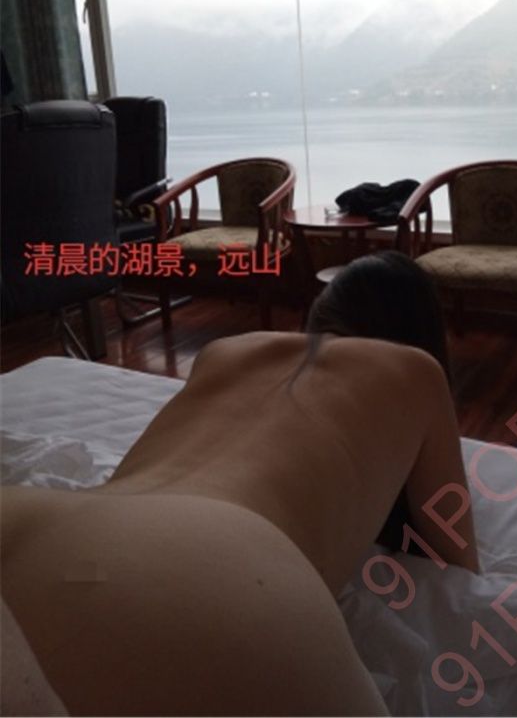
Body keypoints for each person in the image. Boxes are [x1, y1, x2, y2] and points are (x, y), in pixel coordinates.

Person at [1, 251, 478, 717]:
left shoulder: (227, 349)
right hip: (220, 563)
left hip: (45, 518)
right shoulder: (417, 368)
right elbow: (456, 555)